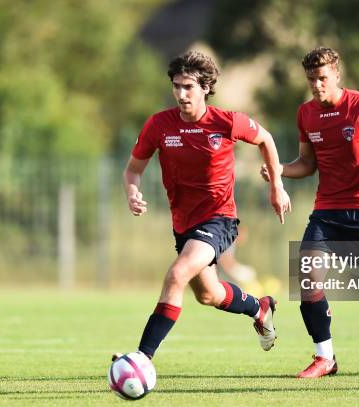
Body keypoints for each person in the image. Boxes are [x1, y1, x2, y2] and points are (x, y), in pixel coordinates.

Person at [119, 51, 291, 366]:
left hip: (218, 219)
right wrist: (132, 191)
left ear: (205, 88)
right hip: (184, 224)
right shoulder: (159, 125)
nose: (181, 94)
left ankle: (142, 357)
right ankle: (259, 308)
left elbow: (265, 139)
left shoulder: (227, 122)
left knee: (177, 274)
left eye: (188, 87)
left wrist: (277, 185)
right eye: (177, 86)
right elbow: (133, 169)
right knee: (208, 295)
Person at [262, 47, 359, 377]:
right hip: (327, 212)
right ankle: (325, 358)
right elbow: (307, 164)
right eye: (311, 79)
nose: (316, 85)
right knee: (307, 277)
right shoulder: (306, 114)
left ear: (337, 76)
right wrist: (280, 170)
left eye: (322, 78)